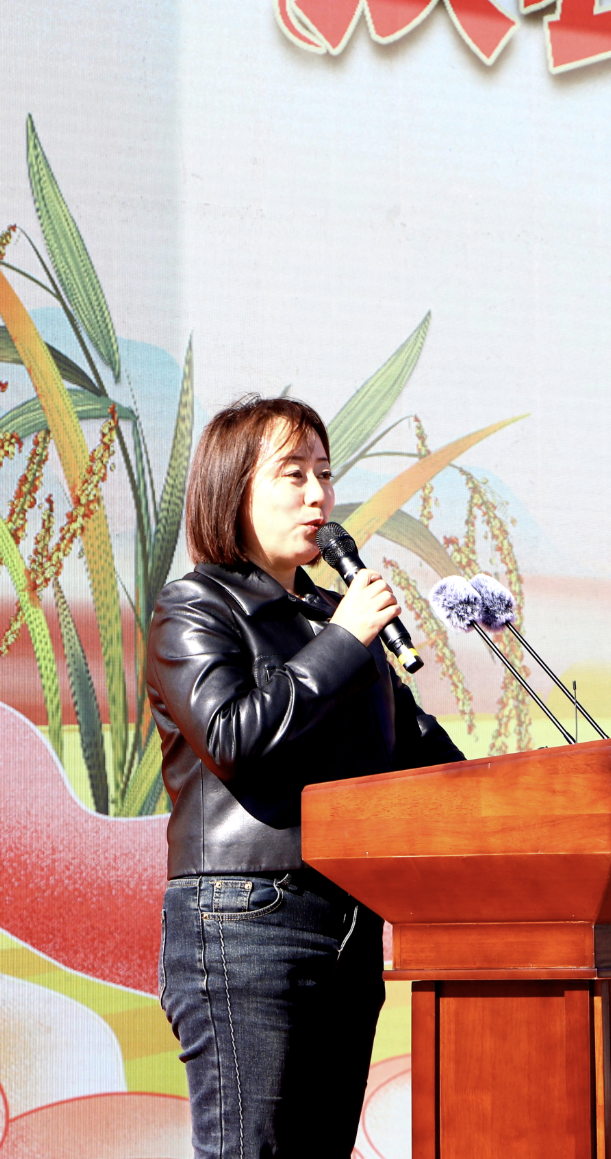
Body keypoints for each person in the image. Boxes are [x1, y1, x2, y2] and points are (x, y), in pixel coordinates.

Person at [146, 395, 465, 1159]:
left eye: (324, 473)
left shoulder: (333, 619)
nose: (318, 493)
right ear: (232, 488)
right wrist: (345, 640)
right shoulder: (197, 607)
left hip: (346, 923)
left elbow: (419, 757)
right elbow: (235, 737)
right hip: (245, 918)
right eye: (293, 474)